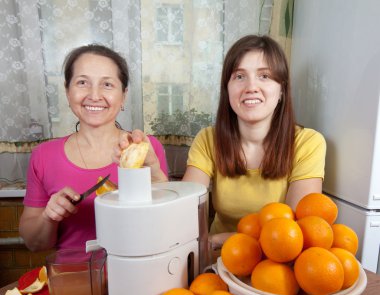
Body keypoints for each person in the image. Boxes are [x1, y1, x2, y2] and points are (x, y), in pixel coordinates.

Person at [114, 35, 326, 246]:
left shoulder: (308, 143)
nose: (251, 86)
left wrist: (223, 239)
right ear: (227, 89)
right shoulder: (208, 139)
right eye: (239, 76)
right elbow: (184, 211)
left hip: (274, 263)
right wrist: (154, 172)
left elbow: (296, 231)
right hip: (218, 259)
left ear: (282, 90)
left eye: (264, 76)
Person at [19, 44, 168, 252]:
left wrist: (155, 177)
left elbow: (168, 231)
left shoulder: (146, 149)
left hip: (138, 275)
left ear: (123, 95)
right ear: (67, 91)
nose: (94, 95)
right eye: (82, 82)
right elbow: (35, 244)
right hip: (71, 278)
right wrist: (49, 217)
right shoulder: (43, 156)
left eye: (107, 84)